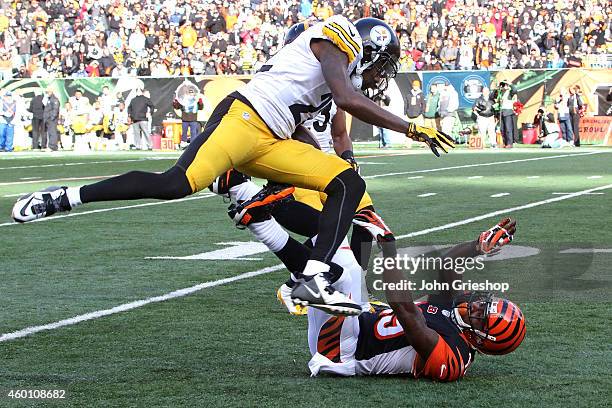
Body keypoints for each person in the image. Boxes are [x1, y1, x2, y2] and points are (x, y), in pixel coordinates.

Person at [12, 17, 453, 316]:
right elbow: (344, 96)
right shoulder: (336, 36)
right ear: (371, 49)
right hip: (244, 119)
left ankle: (312, 277)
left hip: (272, 138)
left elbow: (329, 113)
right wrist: (413, 128)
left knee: (347, 183)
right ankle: (63, 197)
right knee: (174, 184)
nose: (382, 76)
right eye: (384, 66)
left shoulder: (347, 68)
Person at [307, 218, 525, 380]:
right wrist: (477, 246)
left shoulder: (453, 356)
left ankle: (276, 240)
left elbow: (405, 310)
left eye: (480, 315)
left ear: (480, 339)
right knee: (327, 231)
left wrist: (389, 249)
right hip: (357, 320)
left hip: (344, 350)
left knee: (346, 273)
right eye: (485, 304)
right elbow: (447, 263)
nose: (476, 305)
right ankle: (274, 215)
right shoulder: (460, 314)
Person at [497, 82, 517, 148]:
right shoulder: (501, 93)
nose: (503, 86)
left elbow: (514, 89)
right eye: (503, 85)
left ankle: (510, 143)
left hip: (508, 112)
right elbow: (493, 95)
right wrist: (499, 87)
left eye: (505, 85)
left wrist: (509, 84)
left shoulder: (510, 92)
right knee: (502, 129)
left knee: (508, 129)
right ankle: (505, 143)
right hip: (502, 112)